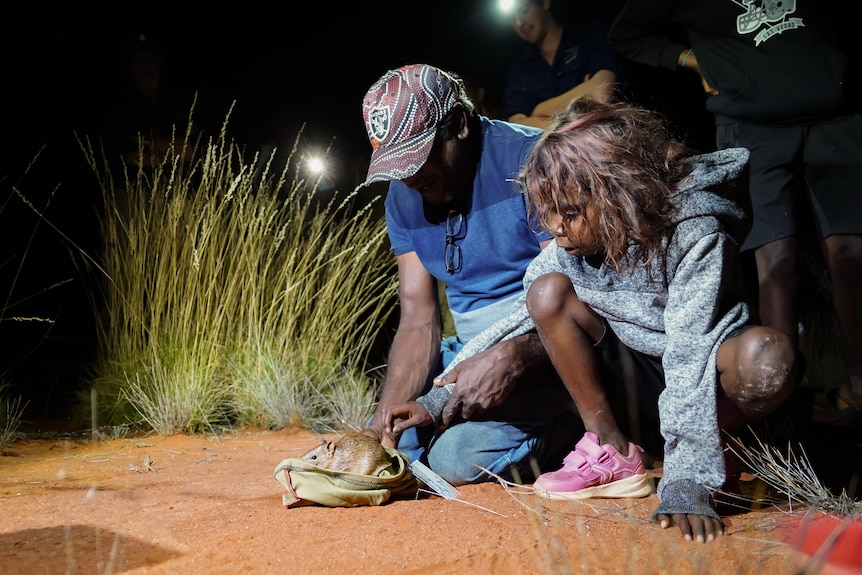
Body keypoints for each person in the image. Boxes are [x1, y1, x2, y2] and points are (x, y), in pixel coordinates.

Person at [385, 100, 797, 543]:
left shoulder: (697, 233)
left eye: (569, 212)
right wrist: (433, 399)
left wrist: (687, 481)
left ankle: (723, 443)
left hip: (701, 367)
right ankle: (610, 448)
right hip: (632, 374)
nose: (555, 229)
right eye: (547, 213)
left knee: (765, 357)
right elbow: (507, 329)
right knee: (545, 292)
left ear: (617, 194)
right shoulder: (571, 243)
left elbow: (690, 354)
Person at [607, 1, 862, 428]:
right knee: (777, 264)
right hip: (752, 123)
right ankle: (781, 411)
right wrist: (689, 58)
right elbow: (626, 33)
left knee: (852, 256)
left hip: (834, 113)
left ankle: (858, 389)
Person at [358, 63, 581, 486]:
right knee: (395, 444)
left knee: (453, 460)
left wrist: (514, 357)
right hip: (464, 352)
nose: (409, 177)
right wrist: (380, 427)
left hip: (545, 351)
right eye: (397, 164)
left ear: (458, 124)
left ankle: (571, 426)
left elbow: (577, 299)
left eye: (418, 156)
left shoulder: (533, 161)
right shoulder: (404, 194)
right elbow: (419, 319)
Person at [502, 0, 625, 129]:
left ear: (545, 3)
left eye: (523, 10)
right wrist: (583, 95)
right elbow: (516, 125)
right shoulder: (519, 70)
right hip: (557, 148)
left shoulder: (591, 34)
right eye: (512, 19)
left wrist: (540, 110)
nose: (519, 23)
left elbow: (601, 92)